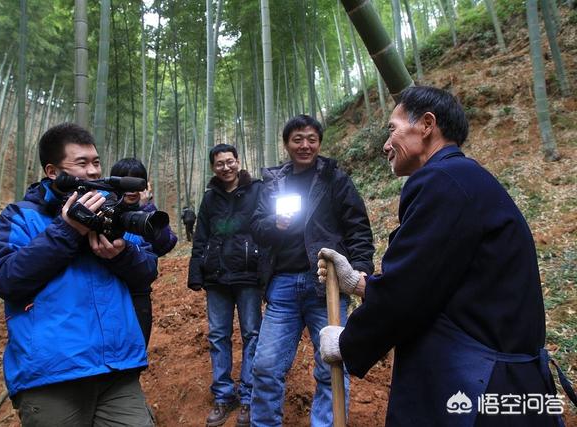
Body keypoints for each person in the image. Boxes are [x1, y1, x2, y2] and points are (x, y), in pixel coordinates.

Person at [317, 86, 577, 426]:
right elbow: (439, 283)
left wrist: (349, 342)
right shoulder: (466, 179)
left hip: (479, 389)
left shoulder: (442, 181)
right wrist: (360, 283)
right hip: (504, 383)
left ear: (426, 125)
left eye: (392, 128)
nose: (385, 145)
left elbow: (407, 296)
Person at [0, 123, 157, 426]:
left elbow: (146, 272)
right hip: (52, 375)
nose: (92, 171)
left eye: (96, 162)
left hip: (117, 370)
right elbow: (5, 278)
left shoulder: (110, 209)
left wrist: (121, 255)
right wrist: (68, 230)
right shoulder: (21, 217)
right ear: (53, 171)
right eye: (81, 163)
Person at [250, 114, 375, 427]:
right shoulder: (273, 181)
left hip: (326, 283)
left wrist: (359, 270)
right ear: (286, 144)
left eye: (311, 139)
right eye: (297, 139)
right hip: (282, 285)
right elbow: (256, 227)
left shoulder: (335, 178)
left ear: (319, 142)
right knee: (265, 366)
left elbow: (358, 227)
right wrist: (275, 226)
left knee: (331, 365)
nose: (305, 145)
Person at [187, 144, 264, 427]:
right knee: (218, 336)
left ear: (238, 162)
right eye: (220, 164)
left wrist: (265, 268)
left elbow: (266, 230)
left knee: (252, 334)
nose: (226, 167)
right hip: (217, 276)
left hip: (247, 274)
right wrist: (196, 273)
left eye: (230, 162)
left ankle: (248, 396)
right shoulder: (209, 198)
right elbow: (201, 236)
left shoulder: (256, 190)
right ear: (213, 168)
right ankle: (223, 396)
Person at [110, 157, 178, 347]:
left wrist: (147, 207)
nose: (131, 190)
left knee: (137, 352)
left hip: (138, 296)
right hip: (109, 293)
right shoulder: (103, 210)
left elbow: (165, 242)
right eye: (126, 182)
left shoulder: (146, 213)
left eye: (137, 183)